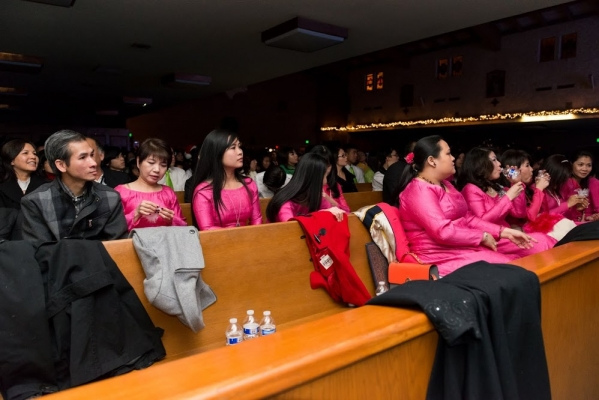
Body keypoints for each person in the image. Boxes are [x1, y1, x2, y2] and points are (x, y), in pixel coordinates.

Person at [397, 135, 537, 276]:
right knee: (509, 268)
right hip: (437, 256)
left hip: (458, 247)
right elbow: (443, 232)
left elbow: (468, 218)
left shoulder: (446, 184)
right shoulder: (418, 191)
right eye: (448, 153)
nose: (453, 158)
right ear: (432, 161)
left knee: (515, 262)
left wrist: (504, 232)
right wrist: (481, 236)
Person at [21, 129, 127, 241]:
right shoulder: (36, 202)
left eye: (92, 155)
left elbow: (118, 246)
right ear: (61, 165)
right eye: (82, 157)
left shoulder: (110, 197)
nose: (93, 163)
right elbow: (39, 248)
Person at [458, 147, 556, 252]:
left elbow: (519, 213)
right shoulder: (470, 189)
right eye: (494, 160)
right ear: (480, 164)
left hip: (508, 235)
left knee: (545, 240)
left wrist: (516, 183)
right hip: (493, 240)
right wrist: (508, 197)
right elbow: (482, 222)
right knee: (542, 241)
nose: (499, 163)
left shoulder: (497, 188)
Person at [191, 129, 261, 230]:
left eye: (239, 146)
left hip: (250, 238)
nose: (240, 152)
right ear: (216, 153)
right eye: (233, 147)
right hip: (218, 239)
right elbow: (208, 229)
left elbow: (257, 220)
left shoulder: (249, 184)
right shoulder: (204, 191)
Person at [115, 138, 186, 230]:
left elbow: (183, 226)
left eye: (163, 165)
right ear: (138, 162)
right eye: (151, 163)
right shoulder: (121, 192)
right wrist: (135, 214)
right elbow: (112, 229)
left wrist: (171, 221)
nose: (157, 170)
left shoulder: (168, 192)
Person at [266, 153, 346, 222]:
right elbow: (291, 229)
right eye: (324, 176)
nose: (326, 181)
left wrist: (331, 211)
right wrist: (324, 214)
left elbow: (341, 214)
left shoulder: (317, 197)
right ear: (313, 179)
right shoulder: (286, 204)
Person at [0, 139, 47, 239]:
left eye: (34, 153)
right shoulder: (2, 187)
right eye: (25, 153)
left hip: (40, 240)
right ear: (12, 160)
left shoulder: (47, 186)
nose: (33, 157)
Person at [309, 145, 351, 213]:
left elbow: (347, 211)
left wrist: (329, 199)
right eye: (321, 163)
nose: (325, 167)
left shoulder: (335, 186)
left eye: (328, 164)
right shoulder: (306, 186)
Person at [561, 150, 599, 221]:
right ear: (571, 164)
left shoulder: (593, 182)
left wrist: (593, 217)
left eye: (589, 165)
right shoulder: (564, 183)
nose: (585, 169)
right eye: (580, 165)